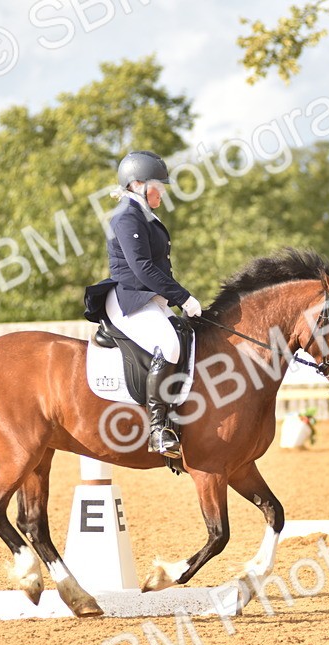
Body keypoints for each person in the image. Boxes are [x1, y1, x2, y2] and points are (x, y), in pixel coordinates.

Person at [83, 150, 203, 458]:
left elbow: (160, 266)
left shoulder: (144, 215)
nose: (161, 191)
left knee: (187, 337)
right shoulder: (126, 216)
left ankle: (179, 416)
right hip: (129, 300)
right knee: (170, 345)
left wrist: (174, 300)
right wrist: (183, 297)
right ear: (138, 185)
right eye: (157, 185)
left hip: (150, 298)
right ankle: (157, 430)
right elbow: (142, 268)